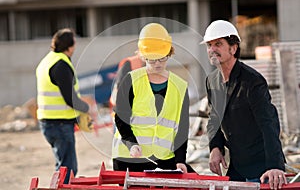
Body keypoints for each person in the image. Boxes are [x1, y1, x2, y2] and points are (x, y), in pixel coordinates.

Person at [201, 20, 287, 189]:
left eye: (218, 44)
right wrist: (215, 147)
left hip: (262, 170)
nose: (212, 50)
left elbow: (268, 124)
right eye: (209, 45)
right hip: (236, 168)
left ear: (233, 48)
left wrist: (275, 166)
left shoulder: (253, 81)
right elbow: (214, 119)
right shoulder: (212, 81)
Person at [112, 23, 194, 173]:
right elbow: (120, 117)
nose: (157, 64)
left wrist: (180, 160)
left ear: (169, 53)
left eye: (162, 58)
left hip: (163, 160)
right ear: (143, 56)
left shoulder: (180, 87)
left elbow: (182, 129)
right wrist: (132, 144)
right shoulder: (131, 80)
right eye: (151, 59)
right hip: (130, 158)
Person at [36, 28, 92, 184]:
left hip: (49, 122)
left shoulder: (47, 61)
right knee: (68, 169)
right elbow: (69, 98)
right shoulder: (60, 64)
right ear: (70, 46)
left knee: (62, 165)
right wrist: (86, 109)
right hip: (59, 124)